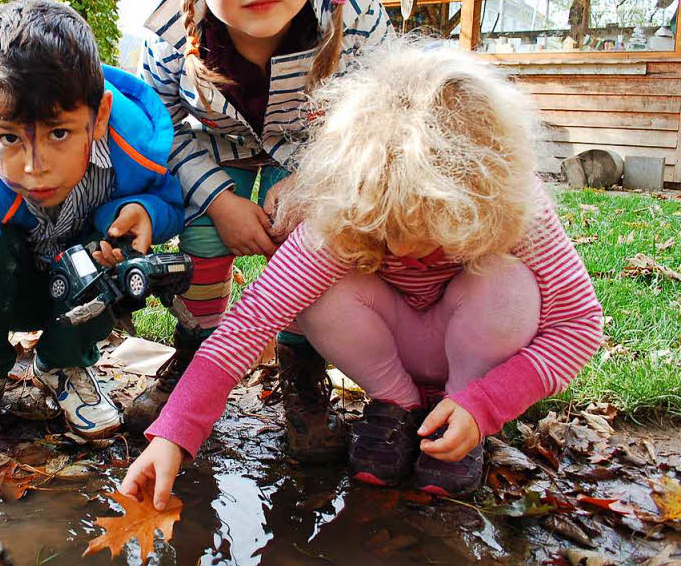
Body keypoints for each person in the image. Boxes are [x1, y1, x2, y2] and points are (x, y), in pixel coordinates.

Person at [121, 41, 604, 505]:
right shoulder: (348, 205)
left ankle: (457, 407)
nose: (398, 246)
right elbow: (251, 322)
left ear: (476, 201)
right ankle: (397, 405)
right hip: (390, 348)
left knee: (506, 280)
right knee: (313, 291)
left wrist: (486, 403)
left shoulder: (515, 206)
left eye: (423, 227)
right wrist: (175, 435)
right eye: (384, 226)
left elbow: (579, 327)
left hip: (474, 349)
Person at [0, 0, 184, 551]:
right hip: (11, 278)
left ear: (98, 116)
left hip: (78, 273)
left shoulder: (137, 149)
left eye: (57, 133)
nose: (33, 166)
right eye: (8, 138)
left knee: (102, 267)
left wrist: (148, 215)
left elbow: (168, 197)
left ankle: (66, 363)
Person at [125, 0, 392, 463]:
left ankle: (302, 371)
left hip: (314, 148)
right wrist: (220, 200)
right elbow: (162, 127)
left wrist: (315, 182)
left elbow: (380, 114)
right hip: (212, 141)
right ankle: (195, 351)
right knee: (201, 235)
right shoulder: (170, 37)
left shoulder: (359, 18)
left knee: (301, 241)